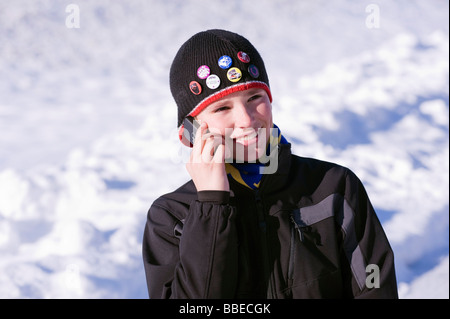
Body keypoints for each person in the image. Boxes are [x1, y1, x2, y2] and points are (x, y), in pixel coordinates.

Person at [142, 29, 398, 299]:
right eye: (222, 108)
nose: (247, 120)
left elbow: (375, 287)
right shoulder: (171, 218)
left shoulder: (335, 187)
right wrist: (211, 207)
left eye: (255, 98)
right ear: (190, 131)